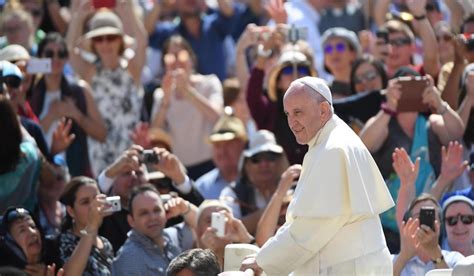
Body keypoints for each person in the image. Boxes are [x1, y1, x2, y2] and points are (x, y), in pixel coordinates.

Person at [241, 76, 394, 275]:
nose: (291, 122)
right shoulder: (330, 142)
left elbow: (310, 228)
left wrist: (263, 260)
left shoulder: (332, 149)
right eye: (288, 114)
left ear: (323, 110)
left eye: (298, 112)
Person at [66, 1, 147, 176]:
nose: (105, 43)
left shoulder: (131, 68)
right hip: (101, 153)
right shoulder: (89, 71)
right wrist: (78, 18)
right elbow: (70, 50)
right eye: (98, 38)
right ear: (93, 44)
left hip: (132, 150)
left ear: (120, 40)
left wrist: (129, 12)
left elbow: (141, 42)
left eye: (111, 37)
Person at [111, 184, 197, 275]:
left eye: (157, 210)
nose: (152, 217)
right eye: (144, 213)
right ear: (131, 220)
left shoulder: (172, 237)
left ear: (165, 212)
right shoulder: (129, 259)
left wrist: (184, 208)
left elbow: (201, 227)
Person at [58, 176, 114, 275]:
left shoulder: (106, 244)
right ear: (71, 211)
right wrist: (91, 227)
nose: (93, 206)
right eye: (85, 202)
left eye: (96, 199)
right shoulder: (63, 242)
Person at [195, 111, 248, 199]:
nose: (222, 151)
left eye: (229, 144)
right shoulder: (202, 187)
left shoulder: (259, 181)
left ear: (242, 146)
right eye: (217, 145)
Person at [0, 207, 60, 274]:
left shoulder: (57, 255)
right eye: (22, 230)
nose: (32, 232)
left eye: (33, 226)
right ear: (10, 243)